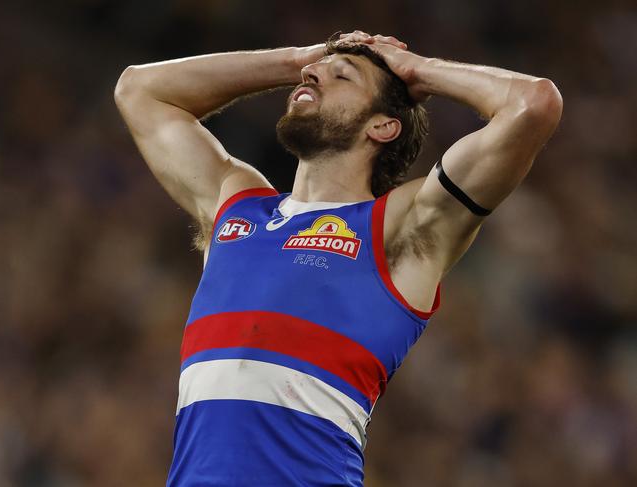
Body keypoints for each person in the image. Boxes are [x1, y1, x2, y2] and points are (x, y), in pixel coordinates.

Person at [114, 30, 562, 486]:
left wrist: (415, 69)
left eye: (343, 76)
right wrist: (297, 59)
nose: (313, 75)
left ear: (383, 126)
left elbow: (534, 104)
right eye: (313, 72)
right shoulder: (236, 205)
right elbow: (140, 90)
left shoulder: (402, 227)